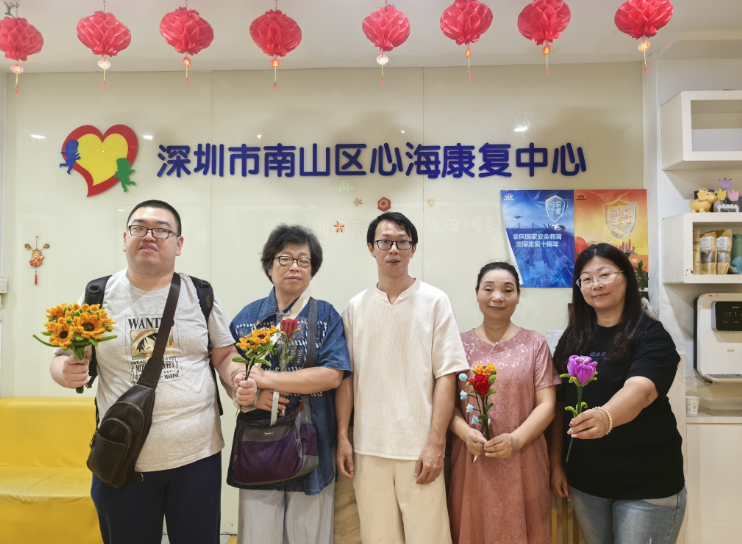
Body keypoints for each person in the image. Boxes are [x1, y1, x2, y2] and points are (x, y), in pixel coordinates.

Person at [49, 200, 257, 544]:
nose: (149, 235)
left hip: (197, 456)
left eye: (161, 230)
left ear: (178, 243)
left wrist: (237, 379)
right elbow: (63, 358)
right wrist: (64, 372)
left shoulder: (200, 294)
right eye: (139, 227)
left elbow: (224, 354)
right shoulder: (97, 295)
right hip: (122, 457)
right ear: (125, 238)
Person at [336, 212, 469, 544]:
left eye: (402, 242)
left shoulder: (435, 301)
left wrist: (436, 444)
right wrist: (343, 436)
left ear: (413, 249)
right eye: (385, 242)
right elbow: (346, 379)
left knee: (429, 537)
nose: (393, 249)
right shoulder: (355, 307)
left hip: (419, 448)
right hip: (368, 447)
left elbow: (447, 376)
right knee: (377, 537)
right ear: (371, 248)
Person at [547, 243, 686, 544]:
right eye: (586, 279)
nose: (596, 284)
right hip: (587, 483)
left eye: (605, 274)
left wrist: (606, 416)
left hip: (646, 485)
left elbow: (641, 390)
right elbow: (559, 404)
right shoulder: (574, 337)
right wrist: (556, 463)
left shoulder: (651, 335)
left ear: (626, 278)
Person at [229, 224, 351, 544]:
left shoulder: (326, 316)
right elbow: (233, 374)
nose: (295, 266)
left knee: (310, 536)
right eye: (285, 258)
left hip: (313, 444)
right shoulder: (247, 318)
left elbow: (332, 375)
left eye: (303, 260)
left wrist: (267, 380)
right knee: (257, 536)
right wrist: (248, 396)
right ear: (270, 267)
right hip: (259, 443)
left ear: (312, 270)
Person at [448, 262, 560, 544]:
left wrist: (516, 440)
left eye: (507, 290)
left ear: (518, 296)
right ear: (477, 293)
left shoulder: (535, 344)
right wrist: (465, 433)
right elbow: (446, 405)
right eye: (489, 289)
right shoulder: (457, 345)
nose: (497, 297)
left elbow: (547, 405)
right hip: (473, 459)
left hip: (524, 457)